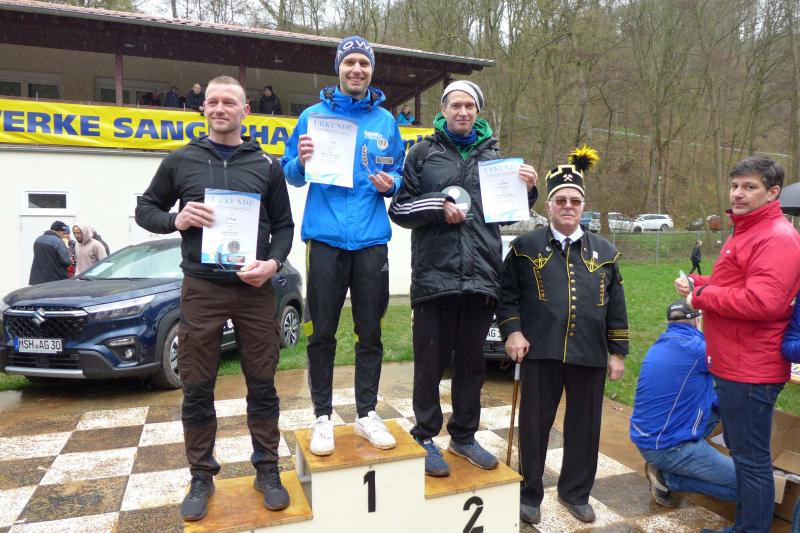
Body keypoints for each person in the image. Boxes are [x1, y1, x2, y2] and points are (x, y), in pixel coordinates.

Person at [136, 75, 295, 521]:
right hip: (202, 287)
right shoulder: (180, 160)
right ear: (203, 108)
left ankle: (267, 469)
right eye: (213, 102)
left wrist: (273, 263)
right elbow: (145, 209)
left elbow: (284, 226)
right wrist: (176, 219)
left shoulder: (266, 164)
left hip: (254, 288)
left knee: (262, 382)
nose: (220, 108)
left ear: (246, 110)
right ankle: (202, 475)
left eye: (230, 102)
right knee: (197, 384)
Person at [388, 80, 538, 476]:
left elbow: (507, 215)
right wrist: (438, 206)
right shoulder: (422, 153)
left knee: (472, 364)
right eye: (456, 105)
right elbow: (400, 209)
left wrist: (528, 190)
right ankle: (424, 435)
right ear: (443, 109)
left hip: (481, 275)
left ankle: (464, 436)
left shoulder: (495, 158)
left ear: (478, 112)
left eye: (470, 106)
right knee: (430, 362)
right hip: (433, 277)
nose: (463, 112)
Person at [281, 35, 405, 457]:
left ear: (372, 70)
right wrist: (301, 160)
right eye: (350, 62)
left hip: (371, 240)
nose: (357, 69)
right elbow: (291, 173)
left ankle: (367, 413)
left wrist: (392, 185)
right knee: (322, 332)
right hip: (326, 239)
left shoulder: (385, 121)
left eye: (364, 63)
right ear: (339, 68)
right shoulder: (312, 117)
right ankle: (322, 416)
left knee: (370, 332)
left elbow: (399, 172)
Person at [497, 147, 629, 526]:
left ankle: (575, 493)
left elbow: (617, 306)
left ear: (583, 206)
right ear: (549, 206)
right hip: (540, 351)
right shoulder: (525, 248)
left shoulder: (606, 253)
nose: (568, 206)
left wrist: (617, 352)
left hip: (590, 353)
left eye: (574, 201)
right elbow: (506, 295)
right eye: (560, 200)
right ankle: (529, 494)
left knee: (585, 429)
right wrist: (513, 331)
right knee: (534, 426)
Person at [676, 156, 800, 533]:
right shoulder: (747, 230)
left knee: (751, 462)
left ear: (773, 192)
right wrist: (701, 283)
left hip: (751, 369)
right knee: (746, 457)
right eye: (734, 186)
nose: (738, 194)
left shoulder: (776, 237)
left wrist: (701, 298)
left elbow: (763, 302)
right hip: (734, 361)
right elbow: (739, 283)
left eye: (749, 187)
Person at [630, 300, 737, 507]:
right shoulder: (698, 350)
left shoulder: (663, 342)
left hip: (650, 438)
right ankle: (667, 479)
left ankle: (672, 467)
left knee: (721, 400)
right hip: (668, 447)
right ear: (697, 321)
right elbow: (739, 360)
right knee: (751, 485)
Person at [29, 221, 72, 285]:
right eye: (63, 233)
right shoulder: (57, 241)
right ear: (60, 231)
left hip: (37, 279)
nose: (63, 236)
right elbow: (67, 261)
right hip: (53, 279)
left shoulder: (38, 239)